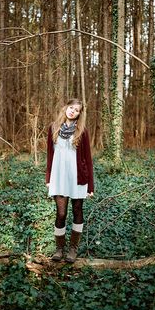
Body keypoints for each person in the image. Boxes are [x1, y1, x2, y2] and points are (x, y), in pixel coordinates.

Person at [46, 98, 94, 263]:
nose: (73, 111)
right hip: (59, 177)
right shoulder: (53, 128)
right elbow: (50, 156)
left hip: (77, 178)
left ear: (80, 114)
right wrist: (48, 178)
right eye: (71, 107)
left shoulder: (82, 131)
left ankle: (73, 249)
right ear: (65, 108)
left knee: (77, 211)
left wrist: (90, 186)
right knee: (61, 213)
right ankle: (59, 249)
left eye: (77, 110)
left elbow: (88, 159)